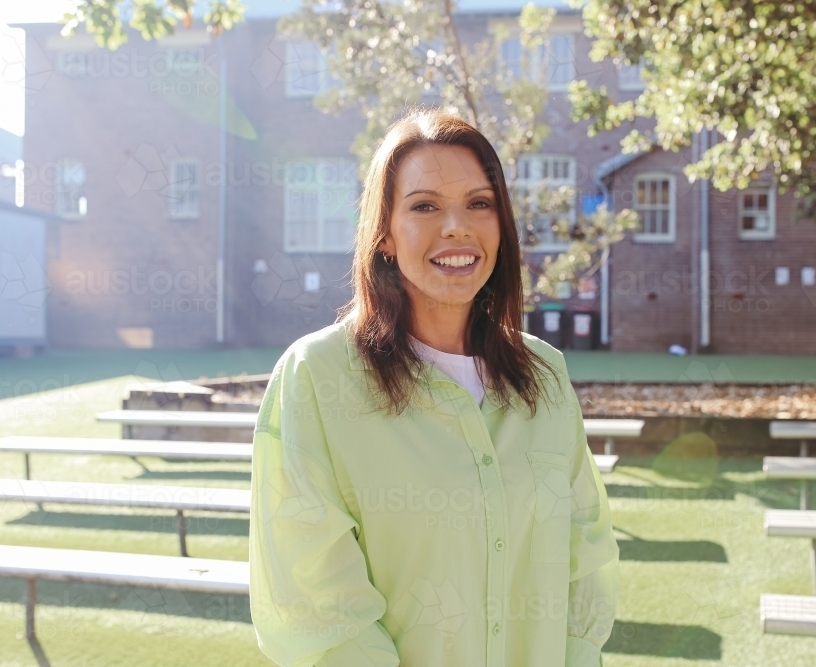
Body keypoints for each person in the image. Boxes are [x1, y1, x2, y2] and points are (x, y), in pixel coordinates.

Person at [249, 108, 619, 667]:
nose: (457, 227)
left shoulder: (545, 375)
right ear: (385, 236)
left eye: (479, 203)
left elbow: (582, 555)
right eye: (424, 206)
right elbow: (314, 603)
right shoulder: (316, 379)